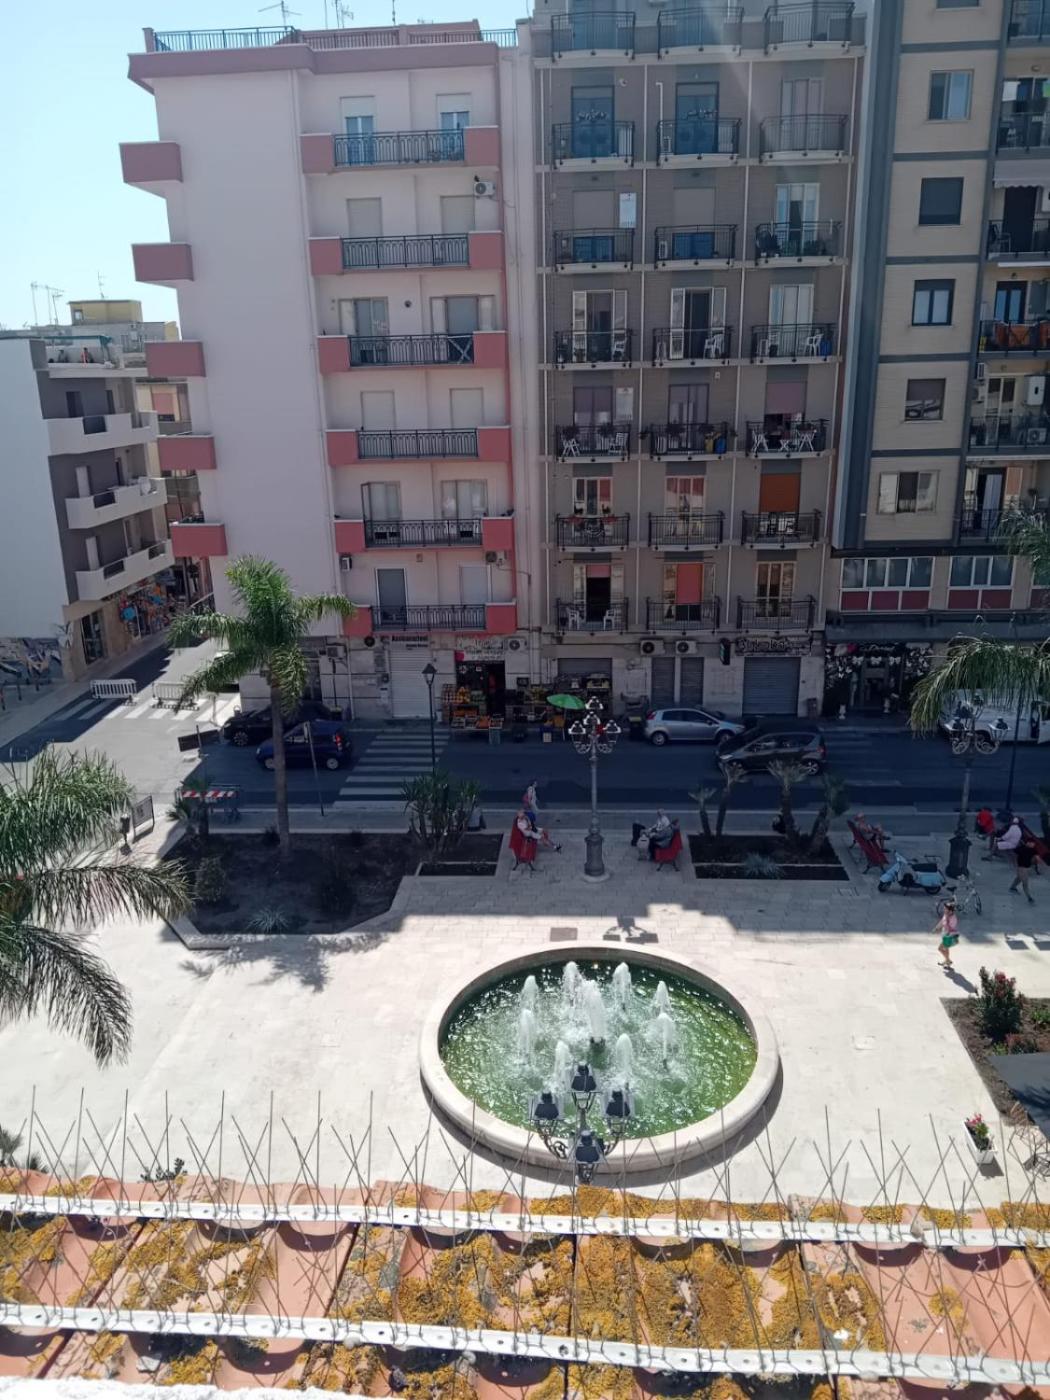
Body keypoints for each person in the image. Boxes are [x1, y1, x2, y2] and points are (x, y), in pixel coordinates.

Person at [521, 781, 561, 851]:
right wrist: (531, 826)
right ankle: (554, 847)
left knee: (545, 831)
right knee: (542, 838)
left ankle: (548, 843)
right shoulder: (521, 823)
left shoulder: (525, 817)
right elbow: (527, 829)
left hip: (533, 828)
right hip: (531, 832)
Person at [1011, 835, 1042, 903]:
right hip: (1021, 868)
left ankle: (1012, 887)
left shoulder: (1034, 850)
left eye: (1034, 844)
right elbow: (1013, 854)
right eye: (1033, 844)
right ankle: (1029, 897)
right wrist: (1015, 864)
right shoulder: (1021, 848)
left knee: (1019, 878)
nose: (1034, 845)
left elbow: (1037, 858)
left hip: (1027, 868)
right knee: (1025, 882)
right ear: (1028, 843)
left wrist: (1036, 860)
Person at [934, 898, 959, 970]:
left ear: (950, 911)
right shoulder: (946, 915)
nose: (944, 910)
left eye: (945, 909)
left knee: (940, 948)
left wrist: (946, 931)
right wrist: (937, 928)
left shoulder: (953, 918)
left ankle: (948, 960)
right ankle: (947, 961)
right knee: (946, 949)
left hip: (949, 936)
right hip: (945, 935)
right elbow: (942, 921)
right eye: (944, 908)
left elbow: (952, 927)